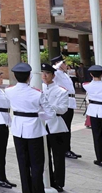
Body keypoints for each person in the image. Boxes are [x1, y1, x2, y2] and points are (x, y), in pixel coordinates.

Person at [5, 63, 53, 193]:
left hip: (18, 130)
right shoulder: (37, 93)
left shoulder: (9, 91)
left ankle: (26, 190)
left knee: (23, 163)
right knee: (37, 164)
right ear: (29, 76)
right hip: (34, 130)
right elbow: (50, 113)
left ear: (15, 76)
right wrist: (39, 115)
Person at [41, 64, 70, 192]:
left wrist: (47, 106)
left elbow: (63, 109)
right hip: (41, 126)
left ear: (53, 75)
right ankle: (48, 180)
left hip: (55, 126)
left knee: (58, 156)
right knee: (44, 156)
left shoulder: (61, 91)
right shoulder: (38, 88)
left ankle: (58, 182)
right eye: (42, 73)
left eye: (47, 73)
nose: (44, 76)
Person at [49, 56, 80, 159]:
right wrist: (58, 64)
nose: (66, 65)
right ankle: (64, 149)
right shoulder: (56, 73)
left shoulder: (65, 74)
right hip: (64, 102)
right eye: (64, 63)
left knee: (67, 128)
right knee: (64, 128)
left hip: (70, 102)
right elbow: (52, 69)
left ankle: (67, 148)